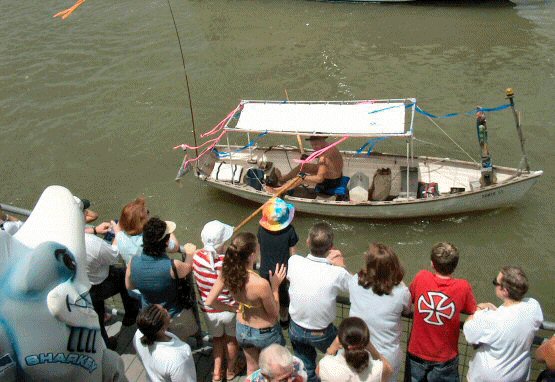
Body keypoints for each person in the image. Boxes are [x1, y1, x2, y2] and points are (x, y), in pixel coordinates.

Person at [205, 232, 287, 376]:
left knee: (252, 369)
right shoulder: (260, 284)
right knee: (273, 371)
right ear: (251, 255)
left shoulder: (226, 273)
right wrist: (275, 286)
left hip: (243, 329)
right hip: (264, 332)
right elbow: (274, 314)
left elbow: (210, 302)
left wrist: (231, 307)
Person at [407, 242, 487, 382]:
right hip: (445, 357)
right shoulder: (463, 287)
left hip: (416, 352)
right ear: (455, 266)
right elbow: (472, 309)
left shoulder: (421, 277)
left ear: (432, 264)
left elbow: (409, 297)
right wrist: (483, 306)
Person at [287, 222, 352, 382]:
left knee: (306, 368)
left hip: (296, 328)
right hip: (322, 332)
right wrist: (342, 265)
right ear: (332, 247)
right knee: (346, 359)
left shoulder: (294, 262)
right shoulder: (337, 272)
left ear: (308, 242)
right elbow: (356, 286)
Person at [463, 266, 544, 382]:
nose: (495, 285)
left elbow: (469, 333)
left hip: (487, 378)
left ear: (504, 291)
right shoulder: (533, 306)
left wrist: (480, 308)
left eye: (495, 282)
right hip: (518, 376)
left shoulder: (491, 319)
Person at [126, 217, 198, 341]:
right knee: (177, 343)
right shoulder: (172, 266)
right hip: (173, 315)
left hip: (150, 314)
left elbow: (129, 286)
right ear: (165, 242)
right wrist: (190, 253)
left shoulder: (133, 261)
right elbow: (187, 267)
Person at [348, 243, 411, 381]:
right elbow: (408, 309)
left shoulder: (354, 282)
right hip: (386, 357)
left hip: (357, 353)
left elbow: (356, 279)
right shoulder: (401, 292)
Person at [192, 220, 241, 382]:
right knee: (231, 340)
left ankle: (216, 372)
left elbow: (200, 252)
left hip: (209, 311)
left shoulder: (196, 258)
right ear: (223, 243)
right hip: (229, 309)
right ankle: (230, 371)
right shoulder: (229, 262)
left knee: (218, 339)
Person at [86, 228, 139, 350]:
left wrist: (94, 229)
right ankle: (131, 316)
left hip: (82, 286)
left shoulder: (60, 241)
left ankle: (106, 344)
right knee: (125, 276)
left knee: (97, 317)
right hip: (101, 282)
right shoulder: (92, 243)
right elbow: (114, 256)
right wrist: (118, 235)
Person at [257, 197, 298, 328]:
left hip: (264, 270)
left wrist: (258, 263)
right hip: (282, 271)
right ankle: (284, 319)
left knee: (267, 295)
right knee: (283, 295)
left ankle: (269, 319)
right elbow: (293, 254)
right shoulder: (289, 230)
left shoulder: (261, 230)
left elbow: (259, 249)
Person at [317, 317, 392, 382]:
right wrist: (371, 347)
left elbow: (317, 371)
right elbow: (389, 369)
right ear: (366, 341)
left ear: (340, 340)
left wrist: (332, 348)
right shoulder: (377, 370)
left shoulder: (326, 365)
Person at [133, 304, 196, 382]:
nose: (166, 310)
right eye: (165, 313)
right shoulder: (178, 356)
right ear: (162, 328)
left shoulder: (138, 335)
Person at [112, 197, 181, 265]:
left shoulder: (119, 237)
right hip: (155, 270)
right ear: (141, 224)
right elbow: (175, 247)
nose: (149, 213)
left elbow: (114, 250)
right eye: (147, 212)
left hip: (134, 271)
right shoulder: (152, 238)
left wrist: (117, 231)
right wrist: (166, 228)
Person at [271, 136, 343, 194]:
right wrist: (308, 157)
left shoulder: (324, 158)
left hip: (330, 182)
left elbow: (319, 179)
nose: (314, 147)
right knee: (304, 166)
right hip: (336, 175)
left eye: (316, 144)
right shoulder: (330, 146)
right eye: (312, 145)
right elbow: (322, 156)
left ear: (322, 141)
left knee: (299, 178)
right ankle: (283, 179)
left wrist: (303, 177)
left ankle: (279, 190)